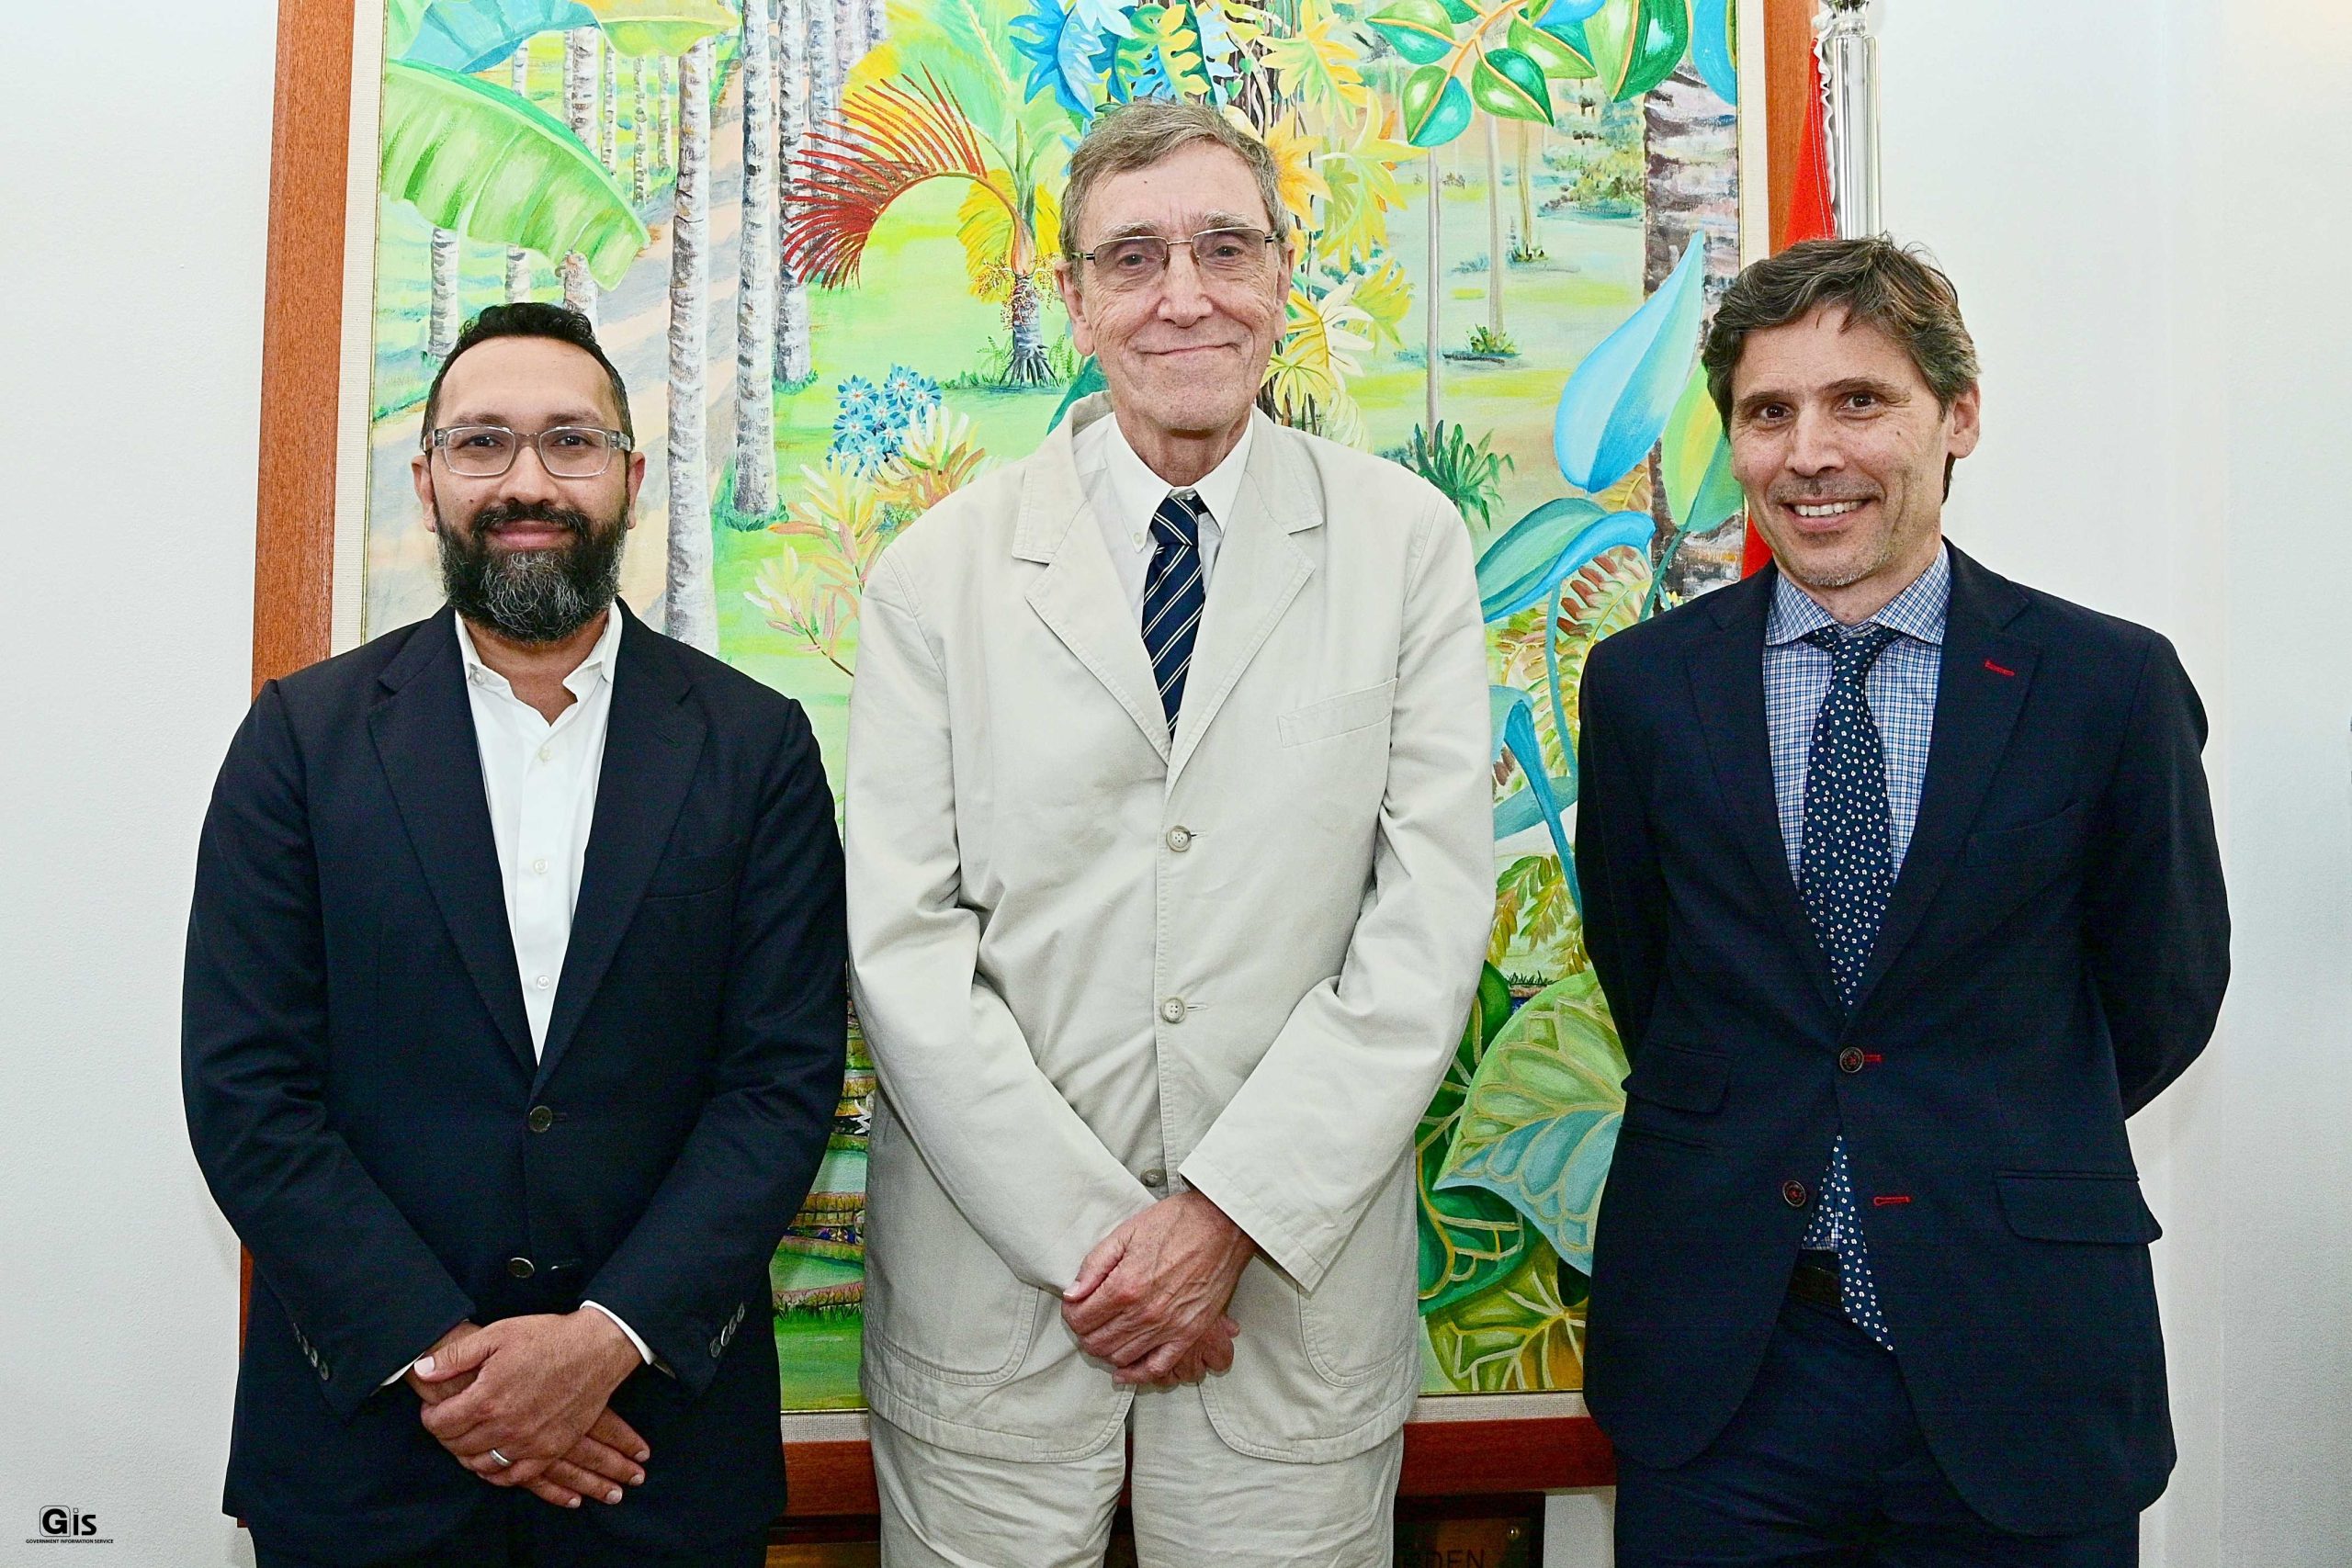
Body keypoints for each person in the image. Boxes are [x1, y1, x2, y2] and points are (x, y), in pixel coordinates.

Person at [841, 99, 1494, 1567]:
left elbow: (1426, 925)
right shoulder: (935, 576)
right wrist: (1110, 1250)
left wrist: (1224, 1221)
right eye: (1132, 257)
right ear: (1074, 300)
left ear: (1282, 274)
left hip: (1287, 1299)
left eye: (1224, 248)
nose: (1184, 294)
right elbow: (905, 950)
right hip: (1002, 1306)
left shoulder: (1402, 549)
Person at [1574, 238, 2229, 1564]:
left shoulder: (2106, 686)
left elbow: (2162, 994)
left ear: (1958, 415)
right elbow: (1647, 970)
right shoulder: (1644, 689)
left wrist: (1975, 1130)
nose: (1809, 453)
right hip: (1727, 1369)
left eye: (1859, 401)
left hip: (2019, 1352)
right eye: (1769, 412)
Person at [183, 303, 846, 1568]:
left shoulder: (755, 747)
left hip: (654, 1453)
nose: (527, 482)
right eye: (482, 443)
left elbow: (779, 1086)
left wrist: (599, 1344)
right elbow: (246, 1090)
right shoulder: (300, 743)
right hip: (368, 1456)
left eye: (571, 442)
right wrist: (450, 1365)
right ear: (427, 479)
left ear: (632, 480)